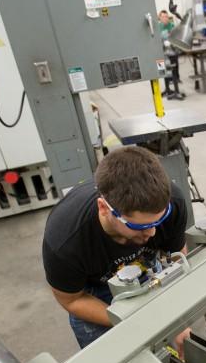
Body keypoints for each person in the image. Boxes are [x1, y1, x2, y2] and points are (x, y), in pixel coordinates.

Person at [42, 147, 190, 351]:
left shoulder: (173, 202)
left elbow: (177, 260)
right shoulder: (65, 241)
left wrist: (177, 318)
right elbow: (72, 300)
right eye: (139, 226)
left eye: (160, 219)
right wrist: (135, 321)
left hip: (146, 270)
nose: (153, 233)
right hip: (94, 293)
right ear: (104, 208)